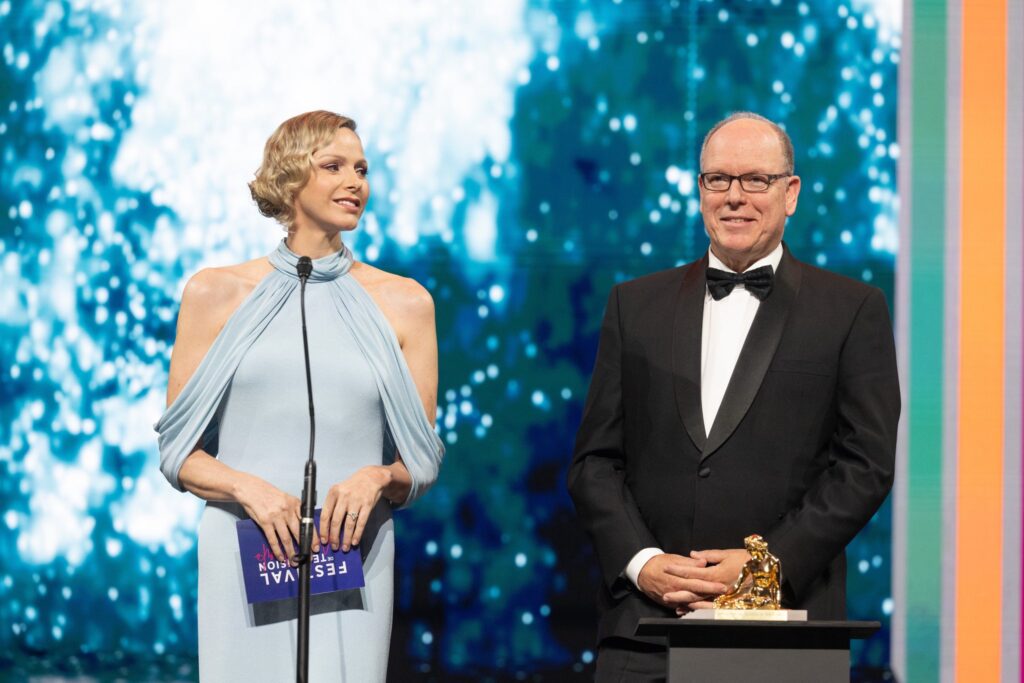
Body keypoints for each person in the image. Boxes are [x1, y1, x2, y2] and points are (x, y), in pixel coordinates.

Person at [567, 112, 899, 681]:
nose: (734, 197)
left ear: (790, 193)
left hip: (783, 630)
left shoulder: (851, 310)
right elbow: (595, 461)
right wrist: (643, 563)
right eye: (717, 179)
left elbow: (865, 466)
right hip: (643, 634)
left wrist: (767, 563)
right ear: (699, 191)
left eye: (755, 180)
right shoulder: (634, 305)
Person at [155, 110, 443, 681]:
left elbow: (422, 459)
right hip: (243, 543)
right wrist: (248, 487)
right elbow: (178, 453)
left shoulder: (406, 302)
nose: (355, 182)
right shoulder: (215, 292)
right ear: (290, 177)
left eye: (361, 168)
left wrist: (377, 478)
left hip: (352, 550)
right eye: (333, 166)